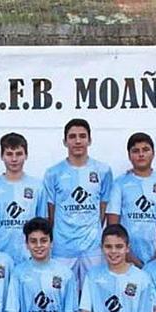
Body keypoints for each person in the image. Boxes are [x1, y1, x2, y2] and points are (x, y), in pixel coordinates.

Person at [43, 118, 113, 286]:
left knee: (94, 294)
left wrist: (91, 232)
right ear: (65, 141)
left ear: (90, 140)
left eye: (82, 136)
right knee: (62, 294)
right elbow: (51, 213)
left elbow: (103, 209)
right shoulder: (53, 173)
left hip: (92, 247)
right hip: (63, 247)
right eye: (72, 136)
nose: (78, 141)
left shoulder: (103, 171)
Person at [107, 132, 156, 267]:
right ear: (129, 155)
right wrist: (128, 256)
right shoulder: (119, 183)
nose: (141, 154)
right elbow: (113, 225)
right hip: (127, 257)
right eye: (136, 151)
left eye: (145, 150)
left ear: (153, 153)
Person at [0, 132, 47, 265]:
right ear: (2, 156)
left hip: (28, 255)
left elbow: (42, 224)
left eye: (18, 154)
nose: (14, 159)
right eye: (9, 154)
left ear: (26, 155)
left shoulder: (37, 186)